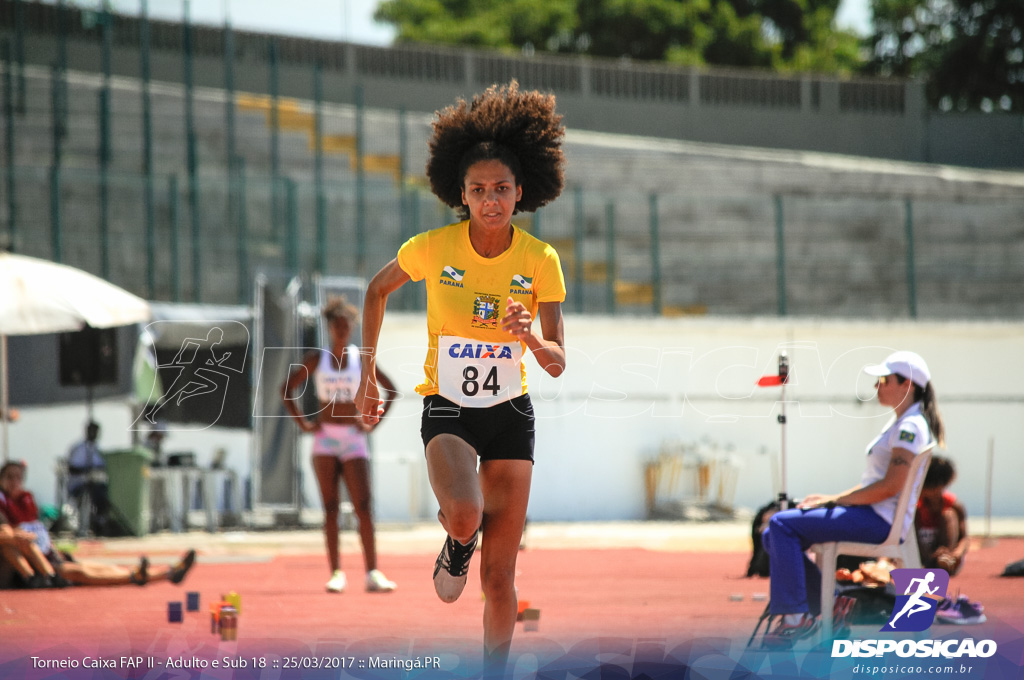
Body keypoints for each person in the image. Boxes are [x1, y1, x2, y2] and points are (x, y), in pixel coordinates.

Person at [355, 81, 567, 677]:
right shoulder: (433, 248)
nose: (491, 200)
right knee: (467, 513)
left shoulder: (539, 260)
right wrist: (367, 373)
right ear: (462, 195)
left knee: (501, 577)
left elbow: (556, 359)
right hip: (448, 408)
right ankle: (456, 543)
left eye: (502, 189)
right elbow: (376, 290)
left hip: (511, 415)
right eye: (479, 191)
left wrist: (529, 336)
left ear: (521, 192)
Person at [760, 350, 944, 648]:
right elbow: (880, 485)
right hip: (872, 515)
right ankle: (831, 604)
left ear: (907, 385)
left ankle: (795, 620)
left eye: (884, 380)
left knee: (781, 524)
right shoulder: (904, 423)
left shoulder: (910, 427)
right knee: (772, 534)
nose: (877, 387)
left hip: (877, 521)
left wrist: (834, 500)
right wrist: (833, 500)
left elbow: (889, 488)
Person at [283, 296, 398, 594]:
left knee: (363, 506)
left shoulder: (360, 358)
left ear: (352, 328)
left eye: (347, 325)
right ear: (330, 328)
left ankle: (373, 572)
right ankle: (336, 573)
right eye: (337, 325)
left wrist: (372, 423)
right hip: (325, 439)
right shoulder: (317, 359)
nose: (342, 330)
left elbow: (392, 390)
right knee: (330, 508)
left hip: (353, 438)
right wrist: (305, 424)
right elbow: (286, 389)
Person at [0, 461, 196, 587]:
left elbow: (35, 530)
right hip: (32, 565)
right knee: (81, 572)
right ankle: (140, 577)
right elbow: (8, 534)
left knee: (99, 566)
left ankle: (166, 572)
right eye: (10, 477)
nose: (15, 481)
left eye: (19, 477)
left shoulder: (26, 500)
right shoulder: (3, 504)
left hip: (46, 554)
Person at [916, 455, 968, 575]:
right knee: (911, 515)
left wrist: (956, 554)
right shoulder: (917, 505)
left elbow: (965, 539)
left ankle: (943, 560)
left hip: (947, 557)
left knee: (948, 515)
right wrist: (929, 555)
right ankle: (929, 561)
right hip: (923, 555)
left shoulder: (954, 505)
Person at [66, 421, 112, 535]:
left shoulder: (96, 448)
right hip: (78, 483)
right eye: (92, 431)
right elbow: (72, 468)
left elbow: (102, 466)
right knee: (90, 492)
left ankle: (100, 522)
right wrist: (87, 471)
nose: (94, 434)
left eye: (96, 432)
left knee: (104, 492)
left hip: (95, 483)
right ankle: (84, 527)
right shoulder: (79, 448)